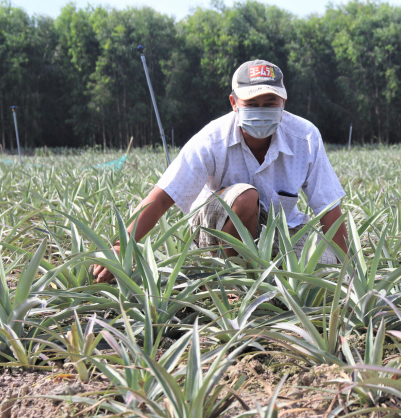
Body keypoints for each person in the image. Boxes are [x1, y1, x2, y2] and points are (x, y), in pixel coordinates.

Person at [93, 60, 348, 283]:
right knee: (246, 197)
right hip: (216, 229)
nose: (261, 110)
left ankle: (263, 271)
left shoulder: (304, 136)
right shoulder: (212, 139)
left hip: (277, 232)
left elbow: (328, 208)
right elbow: (162, 197)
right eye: (252, 103)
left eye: (270, 103)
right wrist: (120, 246)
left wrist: (350, 274)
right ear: (234, 102)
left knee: (327, 263)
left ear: (283, 101)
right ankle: (229, 278)